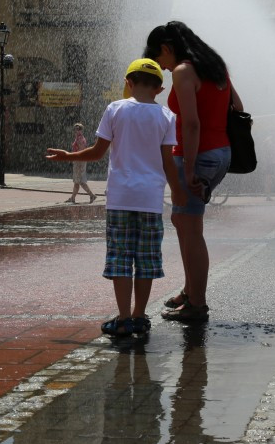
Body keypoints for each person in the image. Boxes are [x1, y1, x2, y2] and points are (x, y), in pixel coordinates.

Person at [46, 59, 186, 337]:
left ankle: (122, 319)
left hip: (121, 199)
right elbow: (168, 163)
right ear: (159, 88)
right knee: (146, 261)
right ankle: (138, 317)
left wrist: (67, 156)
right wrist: (180, 196)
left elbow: (97, 153)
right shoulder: (167, 117)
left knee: (121, 258)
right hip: (150, 201)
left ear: (128, 82)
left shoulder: (115, 109)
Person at [143, 20, 244, 323]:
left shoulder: (184, 71)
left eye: (158, 58)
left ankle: (197, 305)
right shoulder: (215, 68)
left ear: (167, 48)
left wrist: (188, 170)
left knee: (191, 230)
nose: (160, 67)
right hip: (221, 153)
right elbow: (238, 106)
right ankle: (190, 291)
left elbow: (190, 123)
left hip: (198, 156)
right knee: (182, 220)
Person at [65, 123, 97, 204]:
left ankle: (91, 195)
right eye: (75, 128)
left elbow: (81, 151)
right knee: (77, 181)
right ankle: (73, 198)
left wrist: (75, 158)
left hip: (79, 161)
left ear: (81, 130)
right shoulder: (78, 138)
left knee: (80, 181)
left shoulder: (80, 139)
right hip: (78, 160)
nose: (76, 130)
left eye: (78, 128)